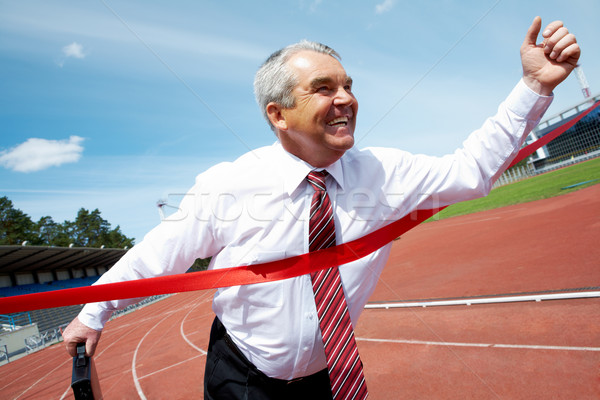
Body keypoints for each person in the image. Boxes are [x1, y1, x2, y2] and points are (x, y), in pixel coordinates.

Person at [63, 16, 580, 399]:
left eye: (349, 85)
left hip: (331, 376)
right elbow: (158, 254)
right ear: (278, 114)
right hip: (243, 375)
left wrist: (533, 87)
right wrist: (93, 313)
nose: (347, 98)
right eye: (324, 88)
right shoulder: (229, 186)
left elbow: (472, 171)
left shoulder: (382, 172)